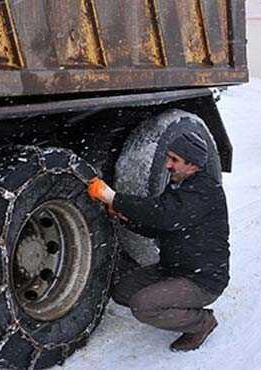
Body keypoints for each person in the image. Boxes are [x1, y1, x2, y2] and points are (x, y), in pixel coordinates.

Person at [87, 131, 230, 352]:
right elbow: (159, 226)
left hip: (201, 279)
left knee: (142, 306)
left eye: (174, 160)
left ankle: (202, 323)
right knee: (122, 292)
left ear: (192, 165)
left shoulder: (206, 191)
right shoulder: (177, 186)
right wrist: (124, 218)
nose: (167, 165)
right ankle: (172, 306)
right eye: (168, 158)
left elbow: (165, 215)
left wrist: (113, 197)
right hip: (172, 269)